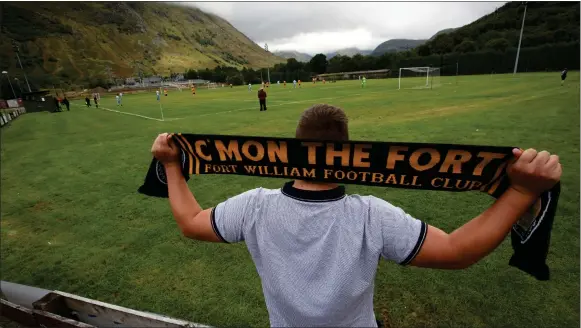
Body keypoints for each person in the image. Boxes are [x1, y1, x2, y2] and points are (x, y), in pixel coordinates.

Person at [149, 104, 562, 327]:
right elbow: (456, 251)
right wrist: (521, 192)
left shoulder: (255, 205)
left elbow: (191, 223)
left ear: (296, 148)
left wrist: (171, 165)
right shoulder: (371, 215)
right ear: (346, 148)